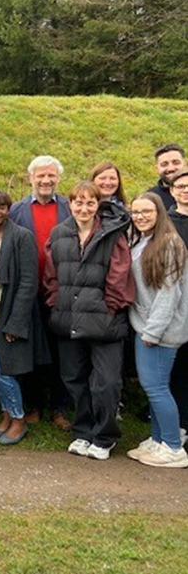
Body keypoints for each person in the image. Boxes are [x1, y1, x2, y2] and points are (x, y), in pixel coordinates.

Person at [43, 181, 135, 460]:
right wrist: (55, 301)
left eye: (90, 203)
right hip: (68, 318)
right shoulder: (59, 234)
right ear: (70, 204)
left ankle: (105, 436)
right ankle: (83, 431)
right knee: (74, 379)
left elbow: (120, 275)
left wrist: (109, 308)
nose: (84, 208)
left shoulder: (112, 234)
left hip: (104, 322)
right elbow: (50, 275)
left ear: (98, 205)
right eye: (78, 202)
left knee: (106, 382)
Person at [0, 190, 47, 445]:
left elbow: (28, 282)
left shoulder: (22, 237)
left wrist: (16, 322)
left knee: (2, 367)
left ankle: (18, 419)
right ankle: (5, 415)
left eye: (1, 207)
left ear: (9, 209)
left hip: (7, 313)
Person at [8, 155, 71, 432]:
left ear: (58, 178)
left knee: (62, 352)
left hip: (63, 291)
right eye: (40, 176)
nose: (46, 181)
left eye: (51, 176)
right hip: (29, 291)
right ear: (30, 178)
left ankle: (60, 407)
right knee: (30, 351)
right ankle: (33, 405)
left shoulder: (70, 208)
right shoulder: (17, 210)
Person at [126, 193, 188, 468]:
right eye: (136, 212)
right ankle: (158, 440)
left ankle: (174, 447)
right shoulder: (142, 240)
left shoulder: (169, 243)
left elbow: (169, 293)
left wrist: (153, 332)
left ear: (159, 212)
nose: (140, 216)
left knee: (157, 388)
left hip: (160, 331)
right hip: (146, 326)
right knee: (153, 388)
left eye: (146, 211)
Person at [166, 167, 188, 432]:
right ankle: (179, 425)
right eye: (180, 186)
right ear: (171, 191)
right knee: (177, 369)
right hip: (175, 305)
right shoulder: (166, 222)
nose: (185, 190)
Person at [148, 144, 185, 210]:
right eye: (164, 164)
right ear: (157, 168)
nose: (171, 168)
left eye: (176, 163)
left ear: (185, 164)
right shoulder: (150, 199)